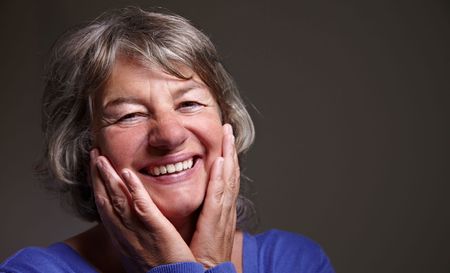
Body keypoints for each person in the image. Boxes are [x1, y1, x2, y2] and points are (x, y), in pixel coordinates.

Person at [1, 7, 335, 273]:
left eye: (189, 104)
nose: (170, 135)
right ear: (85, 145)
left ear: (225, 123)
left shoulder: (294, 261)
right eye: (130, 115)